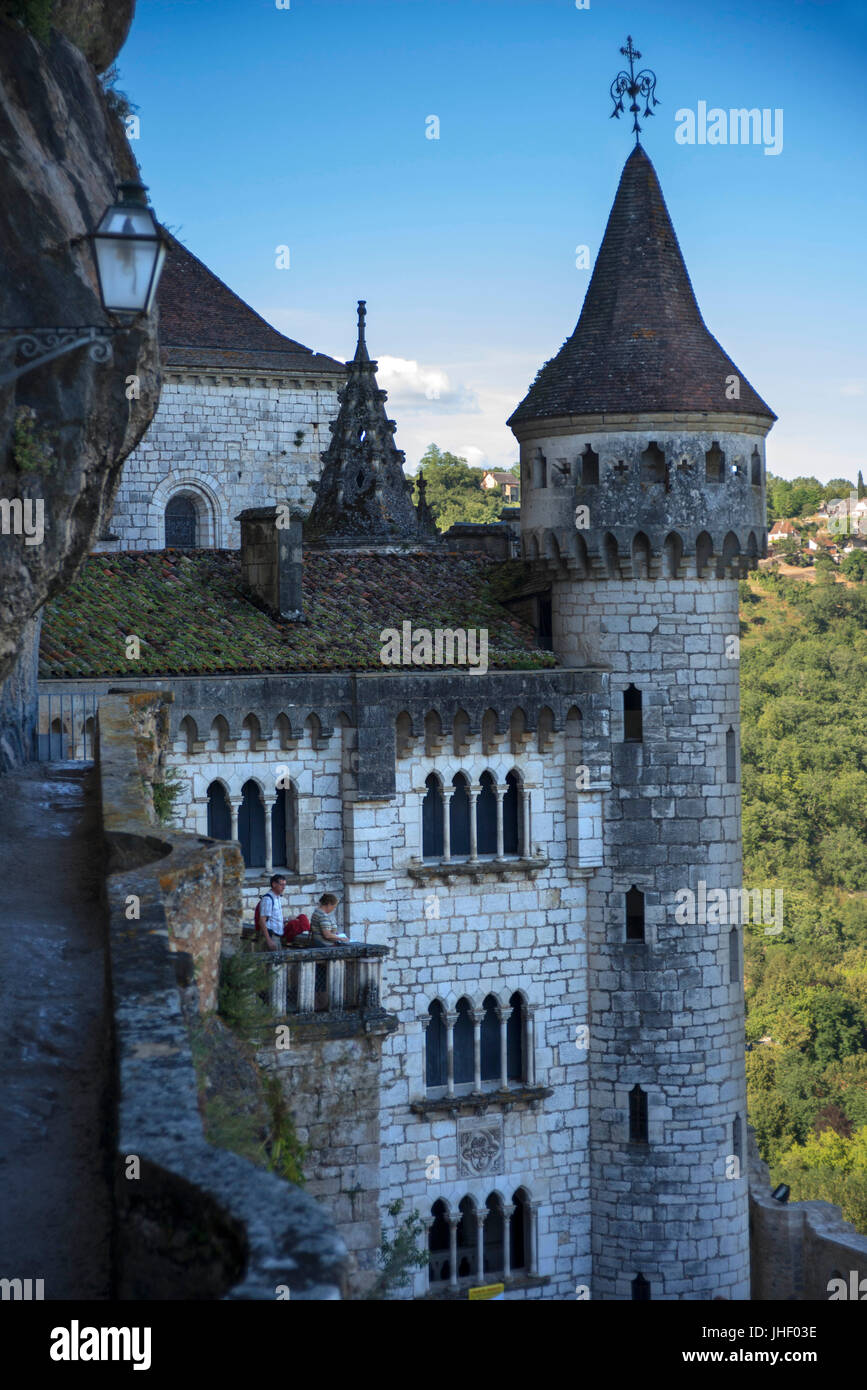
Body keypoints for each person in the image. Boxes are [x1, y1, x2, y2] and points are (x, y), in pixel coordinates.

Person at [256, 874, 287, 952]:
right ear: (274, 884)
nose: (284, 887)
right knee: (271, 963)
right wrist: (268, 940)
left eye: (284, 885)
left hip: (277, 937)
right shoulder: (268, 899)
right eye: (281, 884)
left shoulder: (277, 898)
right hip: (271, 937)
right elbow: (262, 921)